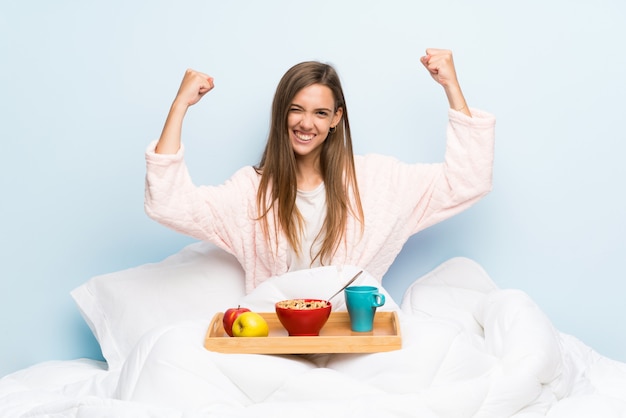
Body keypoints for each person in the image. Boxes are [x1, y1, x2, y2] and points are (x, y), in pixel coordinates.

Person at [144, 48, 495, 294]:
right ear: (282, 113)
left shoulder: (378, 181)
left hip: (351, 335)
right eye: (296, 110)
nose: (306, 124)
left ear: (336, 119)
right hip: (278, 338)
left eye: (320, 113)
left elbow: (467, 181)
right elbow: (169, 205)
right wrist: (180, 106)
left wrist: (452, 87)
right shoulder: (251, 191)